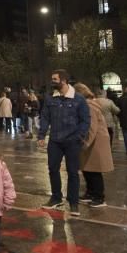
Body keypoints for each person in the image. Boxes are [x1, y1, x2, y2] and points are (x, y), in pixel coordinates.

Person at [37, 69, 90, 216]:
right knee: (53, 169)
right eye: (52, 78)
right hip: (55, 141)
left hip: (73, 142)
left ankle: (73, 203)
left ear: (64, 80)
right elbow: (45, 117)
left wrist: (80, 136)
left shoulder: (78, 99)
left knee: (73, 172)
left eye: (55, 79)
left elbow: (85, 120)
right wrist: (41, 135)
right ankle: (56, 198)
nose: (52, 81)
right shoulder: (50, 98)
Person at [75, 84, 115, 208]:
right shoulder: (87, 105)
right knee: (87, 169)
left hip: (95, 142)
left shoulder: (89, 106)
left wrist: (85, 143)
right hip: (92, 142)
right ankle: (90, 193)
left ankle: (99, 197)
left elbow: (91, 128)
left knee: (94, 170)